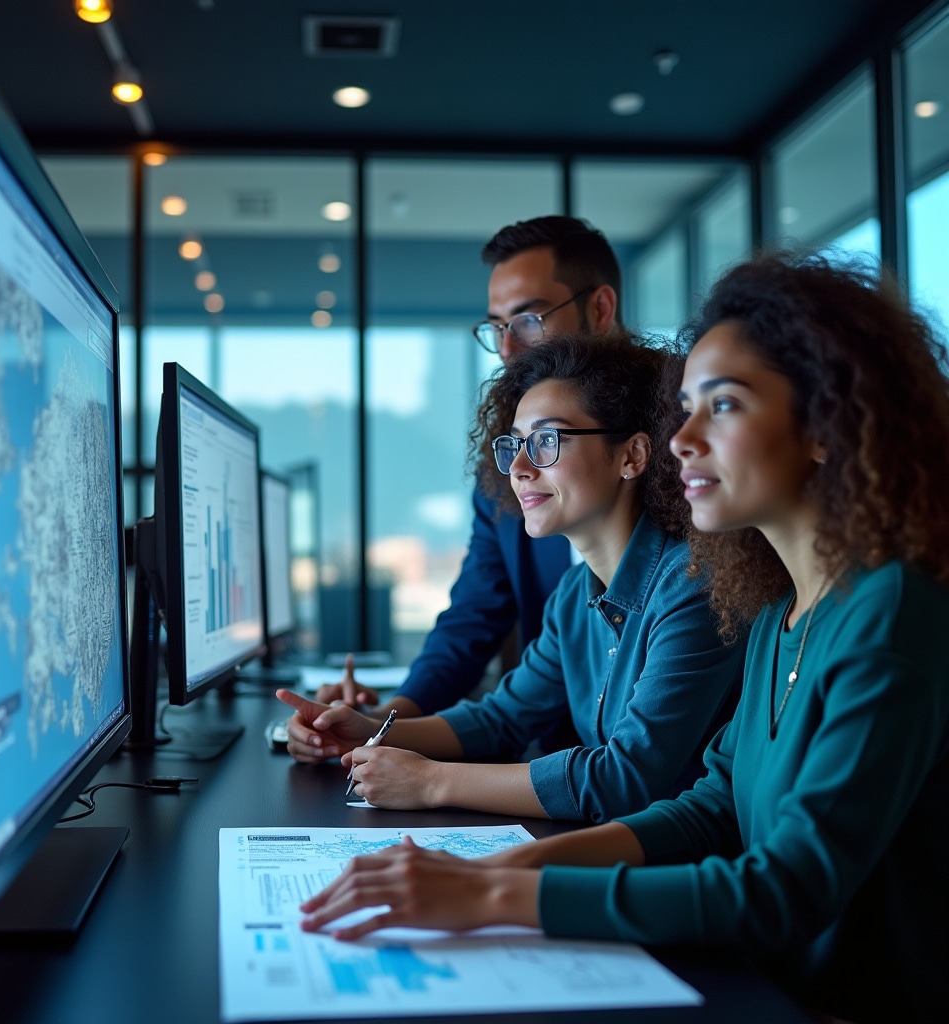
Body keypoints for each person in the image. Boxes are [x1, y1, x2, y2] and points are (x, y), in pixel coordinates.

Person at [294, 252, 949, 1024]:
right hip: (755, 980)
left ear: (826, 424)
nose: (683, 438)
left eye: (725, 405)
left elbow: (783, 892)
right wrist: (508, 866)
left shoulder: (889, 611)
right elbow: (713, 809)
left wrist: (497, 890)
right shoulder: (778, 607)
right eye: (688, 406)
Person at [278, 335, 743, 823]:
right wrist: (367, 729)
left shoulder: (694, 588)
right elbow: (501, 719)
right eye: (515, 445)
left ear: (632, 456)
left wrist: (431, 782)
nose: (518, 468)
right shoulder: (573, 597)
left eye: (546, 441)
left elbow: (622, 778)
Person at [316, 216, 623, 724]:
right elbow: (471, 619)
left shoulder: (684, 456)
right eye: (497, 327)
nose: (507, 349)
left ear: (600, 308)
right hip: (544, 754)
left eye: (529, 320)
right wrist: (382, 722)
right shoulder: (506, 469)